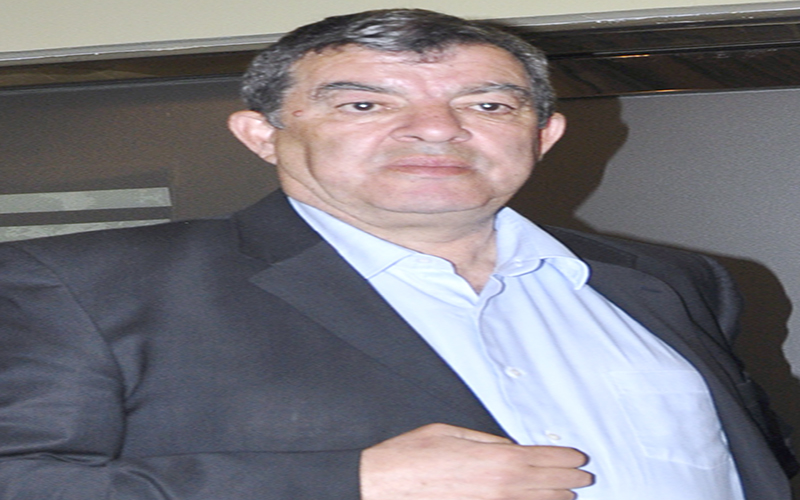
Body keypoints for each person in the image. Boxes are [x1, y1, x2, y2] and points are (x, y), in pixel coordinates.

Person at [0, 8, 795, 500]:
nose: (437, 128)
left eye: (488, 104)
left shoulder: (673, 282)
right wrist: (353, 484)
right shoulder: (80, 287)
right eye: (363, 103)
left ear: (543, 134)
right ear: (262, 135)